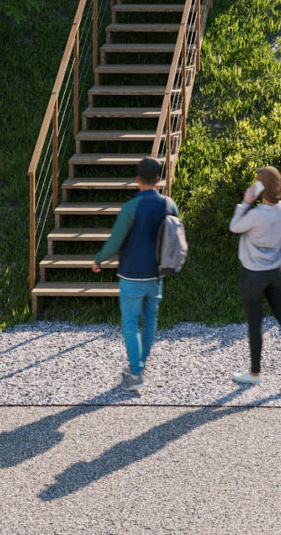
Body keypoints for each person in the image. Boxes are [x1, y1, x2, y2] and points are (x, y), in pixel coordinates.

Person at [89, 156, 176, 387]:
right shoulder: (169, 205)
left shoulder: (130, 207)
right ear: (158, 179)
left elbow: (116, 241)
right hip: (156, 274)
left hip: (131, 275)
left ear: (137, 179)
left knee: (130, 322)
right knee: (150, 320)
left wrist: (99, 259)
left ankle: (136, 373)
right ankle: (141, 365)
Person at [228, 165, 281, 388]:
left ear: (260, 188)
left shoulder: (254, 214)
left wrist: (245, 202)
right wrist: (276, 253)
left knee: (255, 323)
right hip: (276, 271)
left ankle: (255, 374)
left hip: (253, 275)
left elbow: (234, 226)